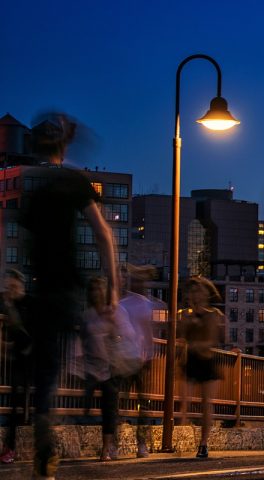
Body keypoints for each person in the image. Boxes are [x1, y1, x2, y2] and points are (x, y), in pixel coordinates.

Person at [20, 113, 118, 479]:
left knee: (44, 372)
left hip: (40, 290)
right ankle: (63, 425)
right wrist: (114, 288)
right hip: (69, 291)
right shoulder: (74, 182)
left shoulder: (36, 189)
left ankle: (45, 419)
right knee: (93, 349)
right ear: (64, 145)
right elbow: (104, 234)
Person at [178, 276, 224, 459]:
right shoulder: (186, 314)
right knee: (183, 400)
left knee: (206, 403)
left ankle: (203, 444)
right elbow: (182, 336)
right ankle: (182, 430)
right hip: (190, 359)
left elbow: (211, 341)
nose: (194, 294)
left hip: (207, 360)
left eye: (197, 290)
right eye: (192, 291)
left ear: (205, 293)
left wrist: (195, 340)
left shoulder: (214, 314)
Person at [119, 264, 156, 458]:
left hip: (134, 359)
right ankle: (139, 445)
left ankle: (136, 444)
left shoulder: (128, 304)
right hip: (130, 358)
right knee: (138, 402)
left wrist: (149, 355)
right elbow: (148, 331)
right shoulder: (127, 304)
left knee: (128, 401)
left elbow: (148, 331)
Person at [81, 277, 120, 461]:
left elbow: (118, 337)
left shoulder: (110, 313)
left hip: (109, 367)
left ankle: (106, 448)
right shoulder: (86, 315)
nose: (96, 292)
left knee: (109, 408)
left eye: (100, 289)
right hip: (89, 366)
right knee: (84, 404)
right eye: (93, 289)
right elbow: (82, 338)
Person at [0, 269, 32, 464]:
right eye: (7, 286)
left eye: (14, 287)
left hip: (24, 363)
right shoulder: (4, 302)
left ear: (21, 287)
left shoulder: (27, 305)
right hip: (9, 363)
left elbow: (27, 339)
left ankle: (10, 448)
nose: (10, 290)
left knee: (17, 406)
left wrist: (7, 346)